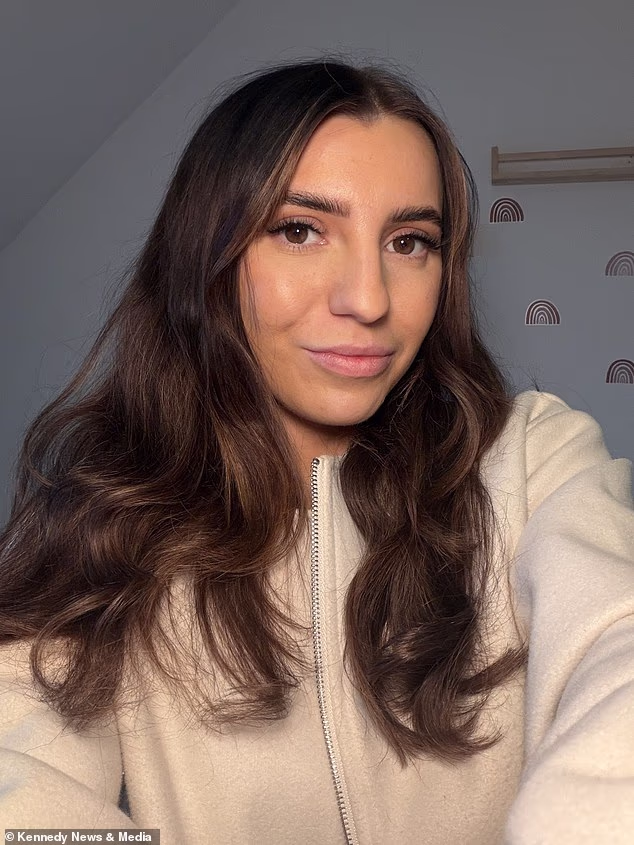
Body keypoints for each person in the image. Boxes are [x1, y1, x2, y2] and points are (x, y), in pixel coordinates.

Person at [0, 58, 633, 845]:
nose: (368, 298)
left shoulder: (533, 455)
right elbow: (20, 789)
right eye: (300, 230)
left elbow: (618, 636)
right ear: (207, 257)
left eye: (410, 241)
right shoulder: (106, 513)